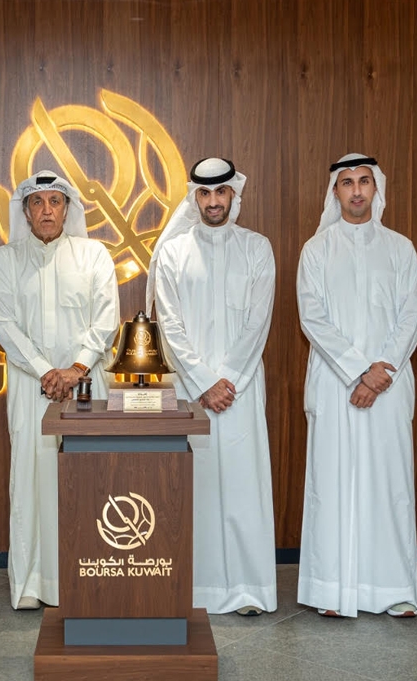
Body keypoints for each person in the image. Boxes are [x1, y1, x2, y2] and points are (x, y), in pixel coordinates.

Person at [294, 155, 417, 619]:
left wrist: (381, 371)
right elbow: (313, 318)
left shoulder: (400, 248)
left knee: (389, 484)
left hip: (388, 385)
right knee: (333, 484)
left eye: (364, 181)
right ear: (335, 192)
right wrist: (358, 371)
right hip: (335, 385)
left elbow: (411, 314)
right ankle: (332, 590)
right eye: (347, 183)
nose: (356, 190)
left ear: (375, 188)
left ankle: (393, 590)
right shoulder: (316, 250)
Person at [0, 170, 119, 610]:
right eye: (37, 202)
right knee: (31, 480)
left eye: (55, 202)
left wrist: (76, 368)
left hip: (87, 385)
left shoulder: (93, 254)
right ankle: (32, 584)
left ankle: (90, 583)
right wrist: (47, 371)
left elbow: (106, 318)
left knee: (88, 481)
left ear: (67, 209)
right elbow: (4, 323)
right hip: (31, 388)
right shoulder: (7, 259)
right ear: (25, 211)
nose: (46, 210)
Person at [150, 157, 277, 616]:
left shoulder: (257, 248)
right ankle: (193, 590)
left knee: (243, 486)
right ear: (195, 198)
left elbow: (258, 320)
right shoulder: (172, 253)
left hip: (241, 388)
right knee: (194, 489)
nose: (213, 201)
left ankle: (247, 590)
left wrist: (228, 381)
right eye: (204, 193)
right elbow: (170, 326)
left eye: (221, 192)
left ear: (233, 195)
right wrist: (205, 382)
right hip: (192, 390)